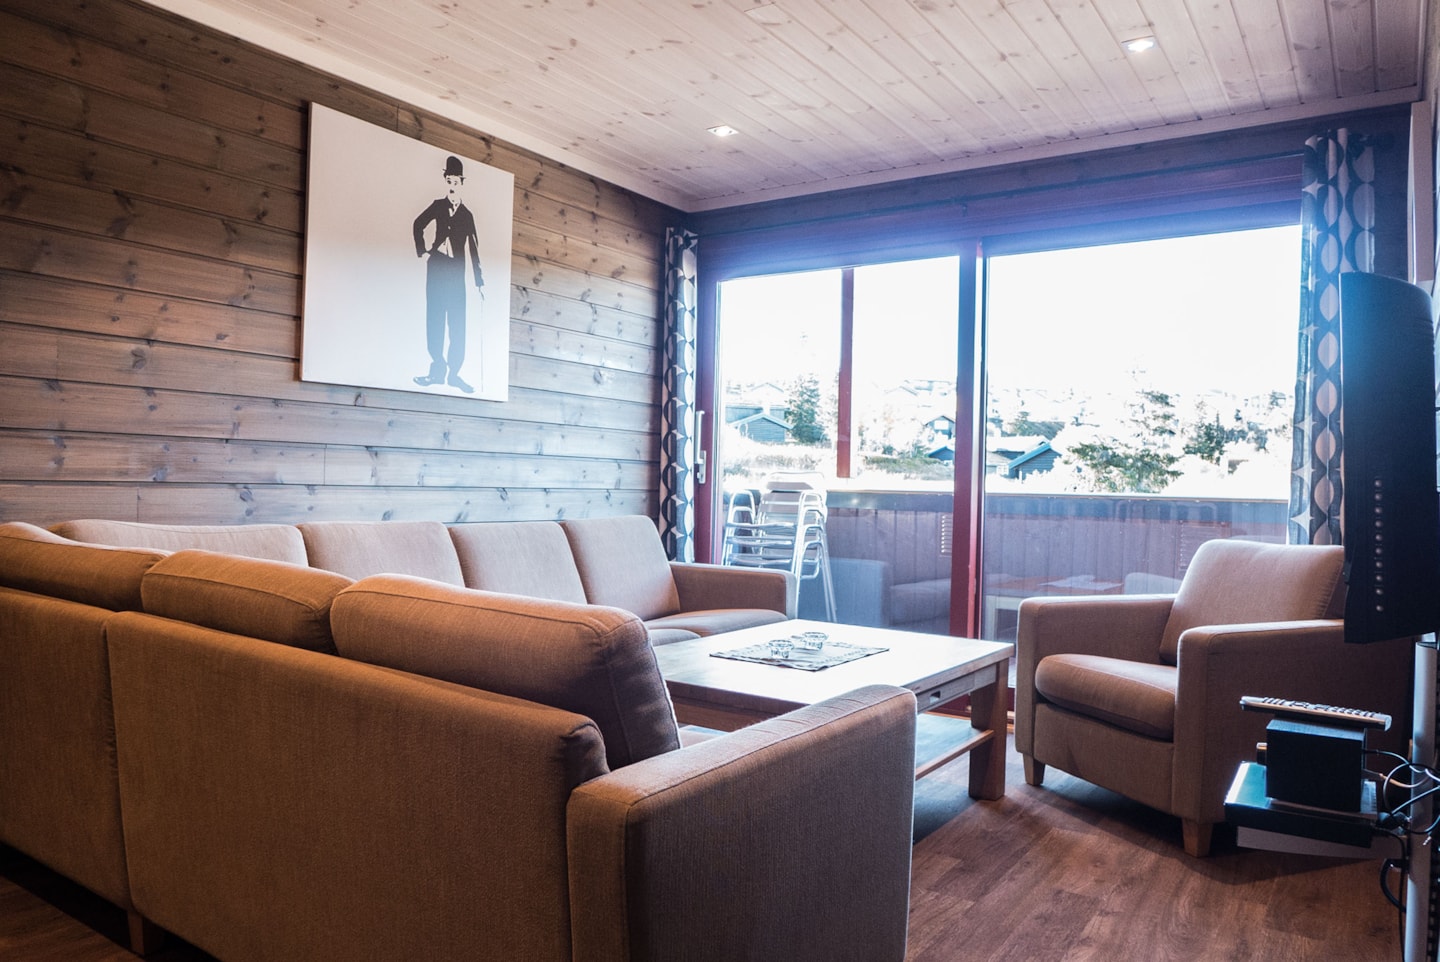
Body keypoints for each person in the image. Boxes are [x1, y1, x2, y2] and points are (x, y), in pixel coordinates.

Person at [412, 156, 484, 393]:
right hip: (436, 267)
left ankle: (454, 374)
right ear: (446, 181)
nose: (452, 185)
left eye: (456, 181)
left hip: (456, 273)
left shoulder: (467, 215)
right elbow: (418, 224)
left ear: (461, 183)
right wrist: (423, 251)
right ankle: (437, 371)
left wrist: (479, 281)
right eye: (449, 180)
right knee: (434, 318)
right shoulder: (438, 205)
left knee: (457, 323)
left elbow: (473, 249)